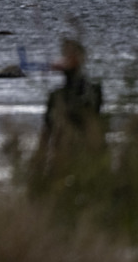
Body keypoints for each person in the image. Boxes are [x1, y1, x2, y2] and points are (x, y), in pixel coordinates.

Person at [32, 38, 105, 180]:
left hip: (84, 155)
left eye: (71, 55)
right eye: (65, 55)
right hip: (62, 157)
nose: (65, 60)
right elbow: (46, 132)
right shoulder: (56, 96)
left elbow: (93, 119)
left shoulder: (92, 91)